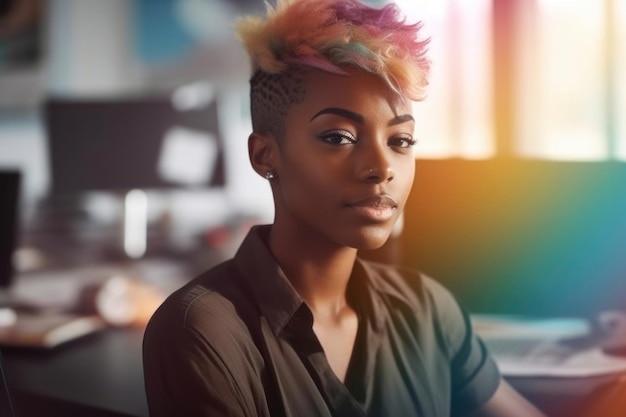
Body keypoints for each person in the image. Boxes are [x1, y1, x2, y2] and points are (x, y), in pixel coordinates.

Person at [143, 0, 547, 416]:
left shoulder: (427, 309)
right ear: (265, 155)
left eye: (400, 141)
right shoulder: (202, 330)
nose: (382, 168)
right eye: (339, 137)